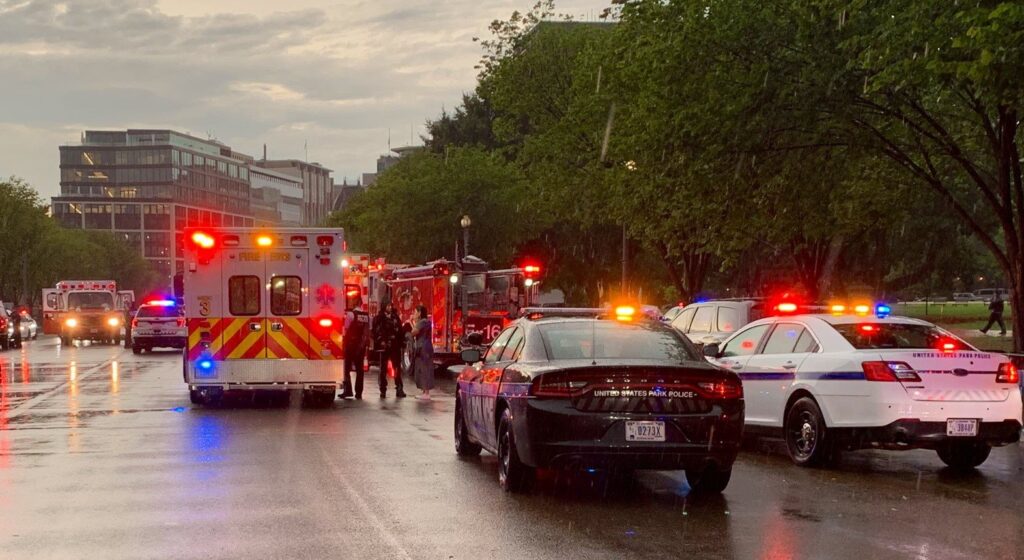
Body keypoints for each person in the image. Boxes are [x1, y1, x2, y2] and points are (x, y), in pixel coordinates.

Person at [373, 300, 406, 399]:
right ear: (384, 306)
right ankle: (383, 389)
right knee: (383, 369)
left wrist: (401, 342)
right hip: (384, 346)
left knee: (397, 368)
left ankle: (399, 388)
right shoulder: (379, 318)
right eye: (387, 306)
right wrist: (380, 342)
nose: (389, 307)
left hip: (395, 346)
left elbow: (400, 330)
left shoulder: (395, 317)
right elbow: (375, 331)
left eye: (390, 306)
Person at [341, 294, 371, 399]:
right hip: (361, 346)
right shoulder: (367, 316)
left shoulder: (350, 315)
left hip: (351, 345)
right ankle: (359, 393)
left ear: (356, 302)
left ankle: (348, 391)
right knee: (360, 370)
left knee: (346, 369)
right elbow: (368, 331)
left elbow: (346, 329)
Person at [410, 304, 434, 400]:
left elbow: (414, 332)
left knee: (424, 369)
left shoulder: (422, 322)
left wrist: (411, 322)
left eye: (415, 312)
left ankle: (426, 392)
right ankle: (424, 391)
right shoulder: (426, 322)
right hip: (426, 347)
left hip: (423, 348)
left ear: (419, 313)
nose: (414, 314)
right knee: (424, 368)